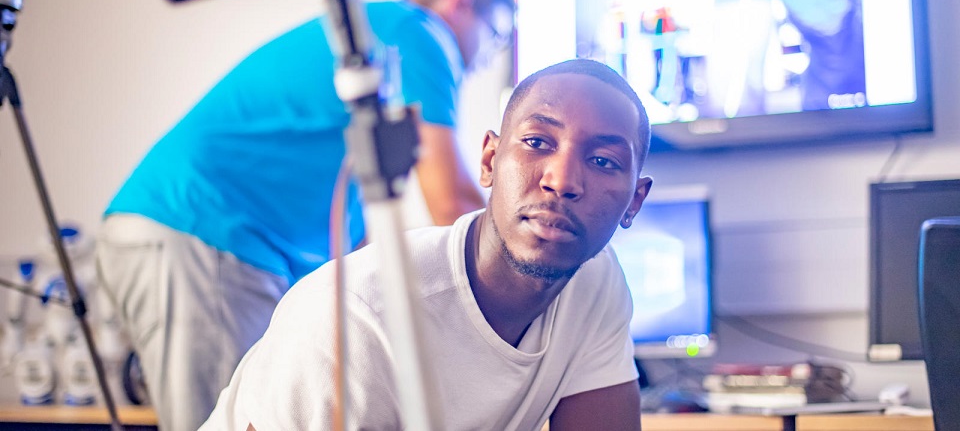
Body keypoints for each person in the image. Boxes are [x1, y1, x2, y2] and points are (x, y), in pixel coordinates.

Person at [94, 0, 514, 431]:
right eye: (497, 36)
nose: (487, 58)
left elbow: (361, 249)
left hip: (211, 240)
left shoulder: (375, 54)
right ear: (460, 3)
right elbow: (453, 202)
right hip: (202, 232)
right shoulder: (419, 34)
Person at [201, 58, 654, 430]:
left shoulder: (595, 281)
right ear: (490, 162)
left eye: (602, 160)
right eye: (537, 142)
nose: (561, 180)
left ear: (634, 201)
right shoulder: (357, 316)